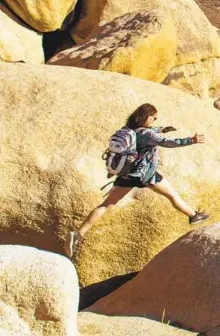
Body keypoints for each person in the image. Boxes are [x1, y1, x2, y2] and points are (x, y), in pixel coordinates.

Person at [64, 103, 209, 258]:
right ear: (147, 117)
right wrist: (190, 140)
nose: (154, 120)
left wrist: (162, 128)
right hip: (145, 175)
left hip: (126, 174)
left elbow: (149, 133)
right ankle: (193, 215)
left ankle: (78, 234)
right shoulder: (148, 134)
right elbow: (166, 143)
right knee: (172, 195)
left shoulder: (128, 129)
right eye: (154, 118)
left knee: (106, 205)